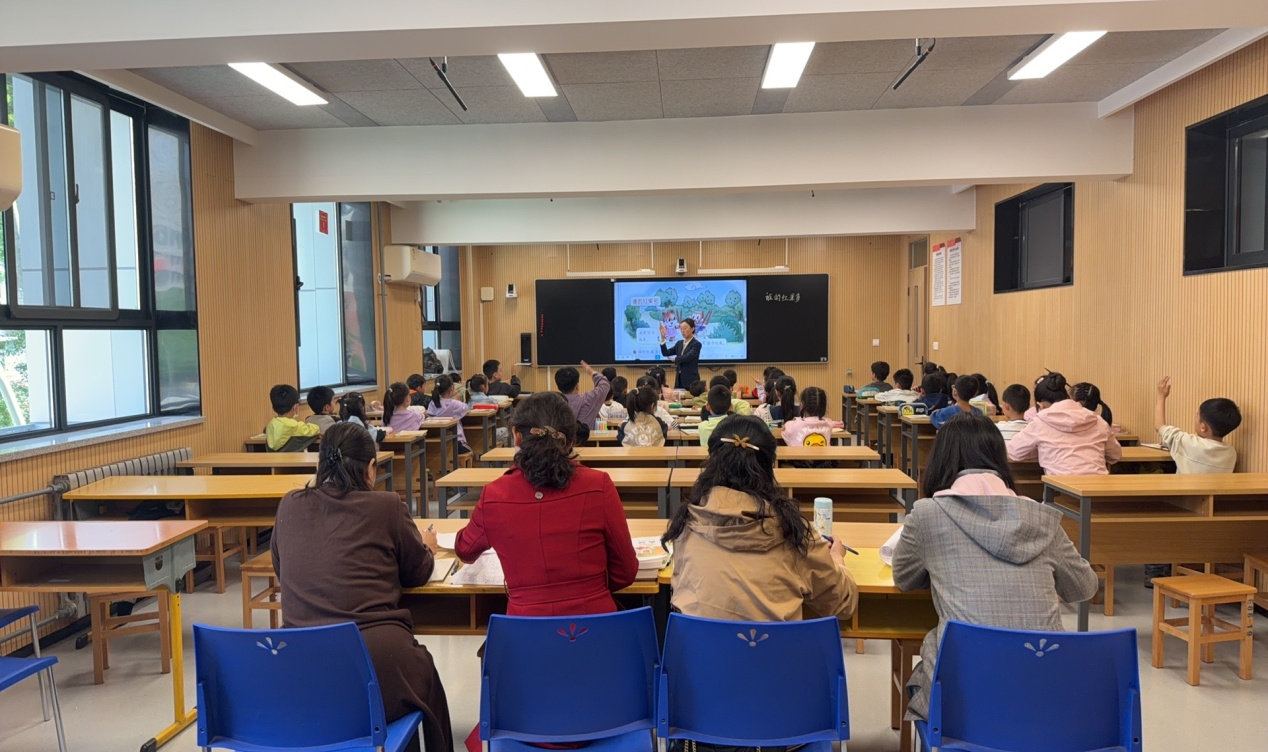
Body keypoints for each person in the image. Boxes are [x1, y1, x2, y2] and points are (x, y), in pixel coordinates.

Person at [892, 413, 1098, 722]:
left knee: (927, 670)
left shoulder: (927, 514)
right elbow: (1084, 587)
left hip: (965, 701)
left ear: (940, 462)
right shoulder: (1041, 518)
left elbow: (904, 578)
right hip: (1046, 698)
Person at [271, 423, 454, 752]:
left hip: (303, 665)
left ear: (320, 464)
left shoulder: (289, 504)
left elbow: (281, 568)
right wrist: (426, 546)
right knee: (422, 674)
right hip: (375, 658)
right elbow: (418, 571)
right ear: (371, 467)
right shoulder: (387, 505)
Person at [455, 392, 639, 614]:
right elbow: (626, 572)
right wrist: (592, 588)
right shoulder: (599, 485)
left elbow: (465, 550)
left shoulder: (494, 494)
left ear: (517, 437)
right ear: (570, 442)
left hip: (526, 627)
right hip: (594, 624)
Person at [662, 414, 858, 621]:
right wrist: (837, 559)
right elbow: (843, 604)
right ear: (770, 465)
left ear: (712, 460)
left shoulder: (687, 524)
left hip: (699, 643)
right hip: (775, 643)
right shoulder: (793, 533)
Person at [1145, 377, 1243, 586]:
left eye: (1197, 416)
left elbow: (1159, 426)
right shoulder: (1231, 453)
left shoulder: (1187, 443)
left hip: (1184, 511)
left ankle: (1156, 572)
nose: (1195, 418)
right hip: (1213, 516)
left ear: (1204, 427)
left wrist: (1161, 396)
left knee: (1155, 524)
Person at [1007, 371, 1122, 474]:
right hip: (1098, 487)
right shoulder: (1098, 421)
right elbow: (1115, 456)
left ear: (1041, 405)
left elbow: (1013, 452)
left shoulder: (1040, 423)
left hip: (1060, 490)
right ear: (1068, 396)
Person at [555, 361, 611, 429]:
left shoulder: (552, 403)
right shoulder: (589, 399)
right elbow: (605, 385)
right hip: (586, 436)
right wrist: (592, 372)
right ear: (577, 386)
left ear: (558, 387)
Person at [426, 375, 472, 455]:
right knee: (470, 450)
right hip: (456, 442)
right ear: (451, 388)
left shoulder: (432, 403)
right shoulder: (454, 404)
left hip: (436, 444)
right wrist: (458, 400)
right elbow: (465, 408)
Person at [266, 384, 320, 451]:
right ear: (295, 407)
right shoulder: (295, 426)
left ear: (273, 408)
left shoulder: (270, 426)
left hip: (271, 458)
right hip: (295, 458)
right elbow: (315, 429)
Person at [658, 317, 702, 389]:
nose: (682, 331)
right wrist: (663, 337)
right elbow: (666, 353)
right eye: (681, 328)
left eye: (685, 328)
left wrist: (676, 359)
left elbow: (688, 357)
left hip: (691, 380)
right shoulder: (679, 343)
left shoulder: (696, 344)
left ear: (692, 329)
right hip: (679, 380)